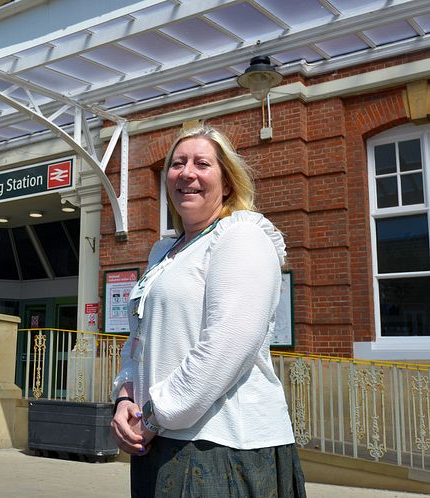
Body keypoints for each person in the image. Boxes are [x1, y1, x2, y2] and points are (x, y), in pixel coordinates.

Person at [110, 125, 306, 497]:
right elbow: (138, 342)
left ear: (228, 183)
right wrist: (124, 399)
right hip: (157, 440)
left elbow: (227, 345)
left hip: (223, 446)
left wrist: (153, 416)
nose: (187, 173)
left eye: (202, 164)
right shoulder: (162, 252)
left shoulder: (242, 236)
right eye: (177, 164)